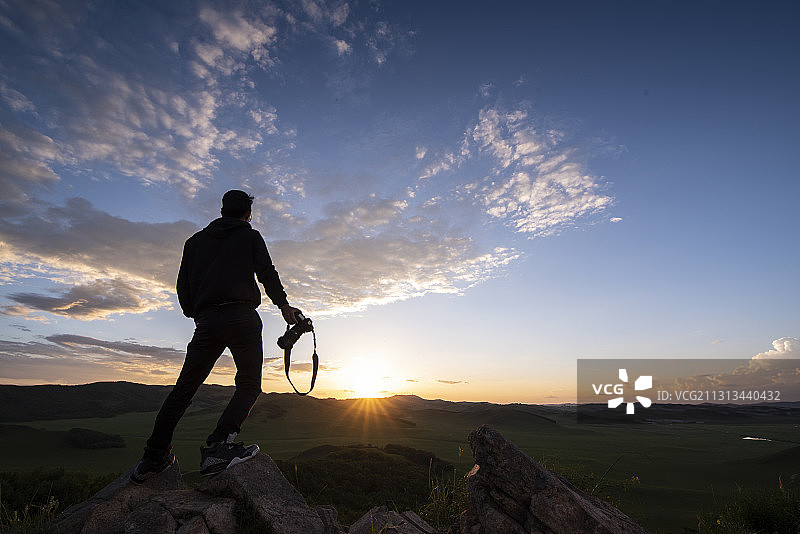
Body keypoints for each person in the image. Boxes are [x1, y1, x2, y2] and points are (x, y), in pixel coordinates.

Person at [131, 189, 300, 483]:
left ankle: (154, 456)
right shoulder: (250, 236)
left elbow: (182, 285)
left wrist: (196, 313)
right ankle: (218, 447)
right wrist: (284, 305)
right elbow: (267, 273)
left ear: (222, 211)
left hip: (207, 320)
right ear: (248, 214)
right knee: (248, 384)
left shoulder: (194, 242)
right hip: (242, 317)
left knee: (184, 389)